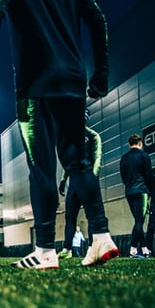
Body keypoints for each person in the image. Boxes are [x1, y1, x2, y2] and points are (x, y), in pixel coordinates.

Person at [0, 0, 117, 269]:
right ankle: (101, 237)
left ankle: (45, 250)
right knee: (79, 162)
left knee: (41, 168)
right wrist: (100, 72)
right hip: (72, 81)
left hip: (36, 84)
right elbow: (98, 19)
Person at [57, 109, 101, 260]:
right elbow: (69, 162)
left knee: (91, 216)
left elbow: (97, 158)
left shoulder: (93, 136)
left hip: (88, 180)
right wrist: (63, 180)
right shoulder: (70, 138)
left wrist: (92, 179)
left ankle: (91, 247)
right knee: (70, 216)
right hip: (74, 183)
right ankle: (66, 248)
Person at [120, 134, 153, 258]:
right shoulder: (144, 156)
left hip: (129, 192)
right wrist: (150, 192)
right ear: (140, 143)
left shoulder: (124, 158)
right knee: (139, 221)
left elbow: (123, 177)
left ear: (129, 144)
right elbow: (149, 175)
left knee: (137, 222)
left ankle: (144, 249)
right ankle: (133, 249)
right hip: (141, 191)